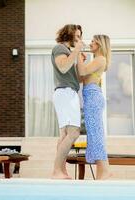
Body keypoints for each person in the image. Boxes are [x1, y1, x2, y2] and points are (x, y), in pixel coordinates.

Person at [51, 24, 84, 179]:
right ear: (68, 35)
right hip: (65, 93)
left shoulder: (67, 52)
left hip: (67, 92)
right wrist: (77, 50)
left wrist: (78, 60)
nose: (79, 39)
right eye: (76, 36)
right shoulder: (59, 49)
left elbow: (75, 78)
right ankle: (57, 170)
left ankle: (60, 171)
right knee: (73, 132)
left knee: (65, 135)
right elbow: (63, 67)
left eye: (80, 36)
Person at [77, 35, 112, 180]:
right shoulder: (95, 60)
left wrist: (78, 54)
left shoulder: (100, 59)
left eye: (93, 42)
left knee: (96, 134)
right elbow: (81, 77)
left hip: (93, 97)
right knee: (94, 134)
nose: (90, 44)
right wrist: (81, 60)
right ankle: (102, 172)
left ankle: (105, 171)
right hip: (90, 97)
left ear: (99, 44)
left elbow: (83, 72)